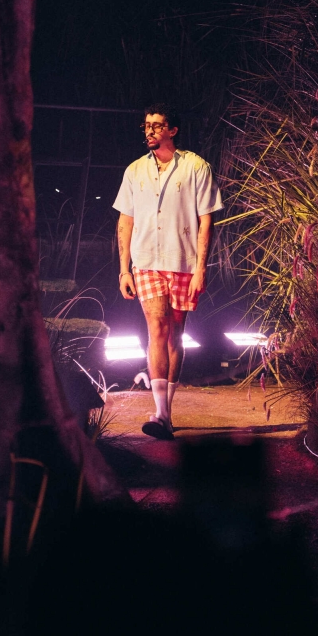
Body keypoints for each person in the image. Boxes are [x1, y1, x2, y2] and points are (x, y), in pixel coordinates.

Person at [113, 107, 223, 439]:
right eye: (146, 126)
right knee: (157, 330)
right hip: (145, 261)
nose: (149, 131)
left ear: (172, 130)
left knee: (175, 334)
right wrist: (123, 270)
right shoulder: (135, 170)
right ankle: (159, 413)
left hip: (183, 261)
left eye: (157, 126)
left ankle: (167, 412)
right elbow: (125, 220)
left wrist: (201, 268)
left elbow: (206, 220)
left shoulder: (196, 167)